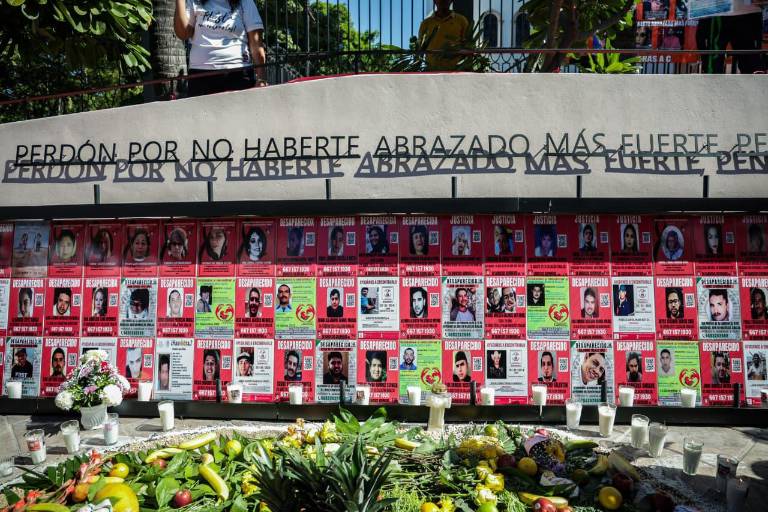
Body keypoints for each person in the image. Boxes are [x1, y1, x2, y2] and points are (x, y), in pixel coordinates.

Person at [174, 0, 267, 97]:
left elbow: (256, 44)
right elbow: (183, 34)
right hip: (200, 75)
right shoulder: (195, 1)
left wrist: (261, 79)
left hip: (237, 73)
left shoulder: (245, 2)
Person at [695, 4, 765, 75]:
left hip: (745, 11)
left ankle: (755, 81)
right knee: (714, 62)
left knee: (751, 61)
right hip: (720, 10)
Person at [417, 0, 469, 71]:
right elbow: (420, 47)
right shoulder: (426, 23)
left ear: (451, 1)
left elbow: (467, 44)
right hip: (431, 69)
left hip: (455, 69)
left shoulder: (461, 20)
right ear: (434, 1)